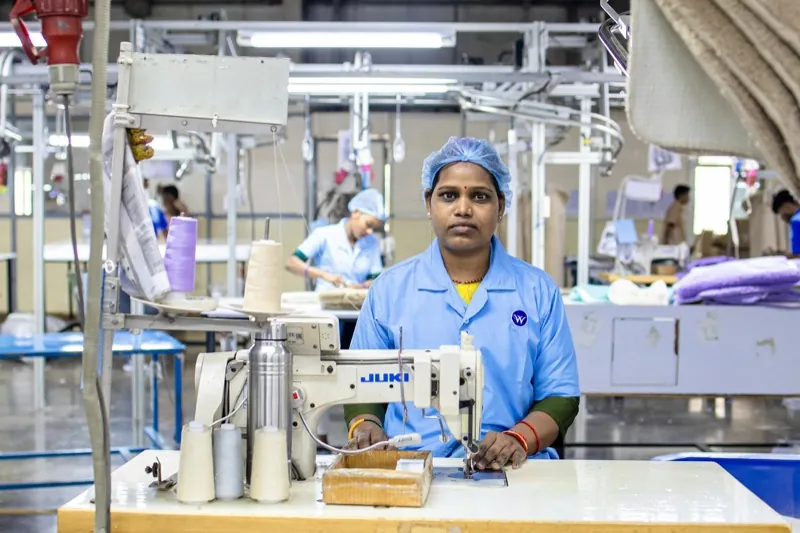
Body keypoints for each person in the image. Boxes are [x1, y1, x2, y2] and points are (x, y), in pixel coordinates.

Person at [344, 137, 580, 471]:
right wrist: (366, 425)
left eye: (480, 196)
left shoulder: (538, 291)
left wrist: (518, 438)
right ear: (430, 203)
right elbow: (360, 382)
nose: (463, 209)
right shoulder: (389, 291)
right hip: (410, 463)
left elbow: (562, 394)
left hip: (512, 467)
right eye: (449, 195)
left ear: (501, 205)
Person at [286, 188, 386, 291]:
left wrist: (361, 287)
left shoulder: (371, 242)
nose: (370, 231)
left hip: (356, 303)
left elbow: (376, 279)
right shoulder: (325, 235)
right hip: (325, 302)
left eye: (374, 228)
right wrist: (324, 275)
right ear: (356, 213)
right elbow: (292, 263)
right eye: (368, 225)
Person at [772, 189, 800, 255]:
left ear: (786, 206)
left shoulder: (796, 220)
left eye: (780, 212)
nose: (782, 217)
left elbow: (797, 255)